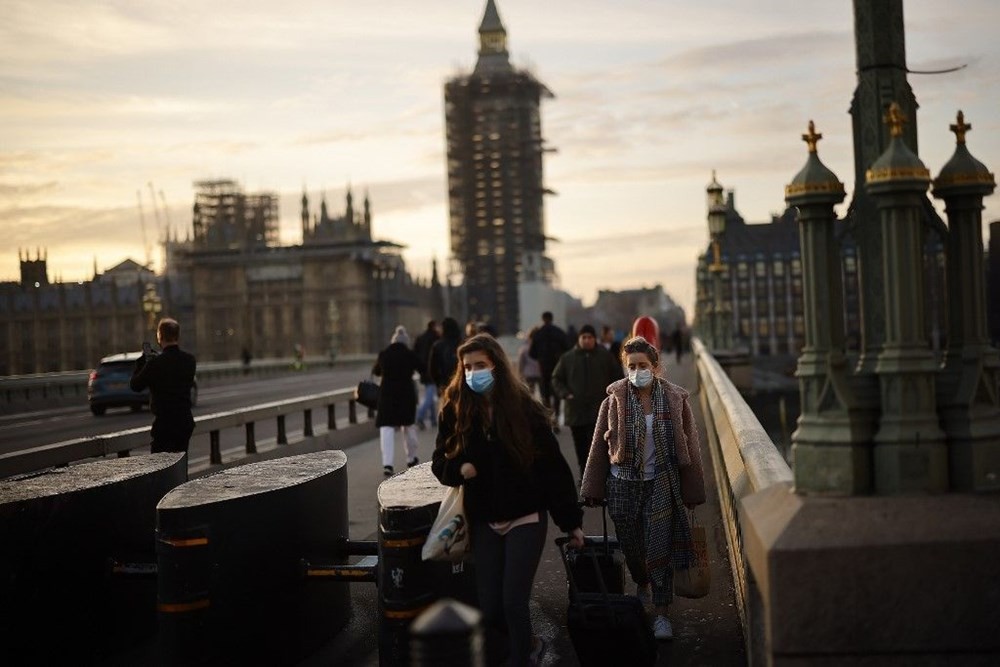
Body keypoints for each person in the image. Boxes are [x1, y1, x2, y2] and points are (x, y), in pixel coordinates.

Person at [432, 334, 584, 666]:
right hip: (485, 519)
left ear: (497, 367)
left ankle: (522, 658)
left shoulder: (524, 409)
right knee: (490, 607)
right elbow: (440, 465)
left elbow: (553, 470)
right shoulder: (454, 411)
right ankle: (529, 643)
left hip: (526, 515)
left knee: (514, 601)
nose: (474, 373)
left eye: (481, 365)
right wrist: (461, 469)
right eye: (467, 367)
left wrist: (570, 522)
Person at [580, 336, 706, 641]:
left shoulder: (676, 399)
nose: (637, 371)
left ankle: (662, 614)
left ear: (656, 367)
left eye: (643, 365)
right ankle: (641, 581)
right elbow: (598, 445)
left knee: (658, 547)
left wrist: (692, 491)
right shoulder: (613, 400)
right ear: (626, 367)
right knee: (632, 546)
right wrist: (592, 487)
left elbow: (691, 444)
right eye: (632, 366)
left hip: (661, 482)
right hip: (622, 484)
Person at [550, 324, 622, 477]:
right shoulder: (568, 358)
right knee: (581, 449)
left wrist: (613, 397)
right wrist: (565, 394)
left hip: (600, 411)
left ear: (595, 339)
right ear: (579, 339)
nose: (587, 340)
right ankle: (585, 479)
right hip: (576, 412)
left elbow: (617, 377)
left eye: (590, 337)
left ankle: (599, 479)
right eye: (584, 337)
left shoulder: (605, 356)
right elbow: (556, 379)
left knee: (599, 448)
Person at [130, 318, 197, 454]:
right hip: (185, 421)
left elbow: (136, 386)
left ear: (159, 336)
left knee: (161, 468)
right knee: (180, 465)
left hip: (165, 424)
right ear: (177, 336)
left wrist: (142, 363)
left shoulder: (155, 364)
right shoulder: (189, 360)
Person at [372, 325, 421, 476]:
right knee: (408, 427)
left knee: (386, 429)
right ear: (405, 342)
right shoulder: (410, 354)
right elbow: (423, 368)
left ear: (393, 342)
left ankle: (388, 464)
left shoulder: (384, 354)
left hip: (387, 395)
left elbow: (376, 371)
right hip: (406, 395)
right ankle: (411, 458)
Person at [529, 311, 570, 433]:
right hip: (556, 367)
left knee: (545, 395)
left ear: (543, 319)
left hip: (543, 368)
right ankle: (556, 418)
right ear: (552, 319)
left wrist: (541, 358)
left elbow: (532, 353)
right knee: (556, 394)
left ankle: (549, 419)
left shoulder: (538, 334)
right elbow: (568, 348)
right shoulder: (559, 332)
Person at [413, 320, 441, 430]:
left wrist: (419, 369)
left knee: (430, 393)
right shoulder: (436, 338)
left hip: (423, 371)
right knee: (430, 396)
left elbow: (414, 354)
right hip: (432, 371)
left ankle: (433, 420)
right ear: (434, 326)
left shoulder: (420, 338)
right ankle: (419, 416)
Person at [429, 317, 462, 396]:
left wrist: (438, 384)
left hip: (445, 385)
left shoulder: (437, 346)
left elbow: (432, 369)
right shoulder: (463, 343)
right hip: (461, 385)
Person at [517, 327, 542, 397]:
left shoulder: (524, 347)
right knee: (543, 395)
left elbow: (521, 362)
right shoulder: (543, 346)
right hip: (541, 373)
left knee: (530, 394)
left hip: (528, 374)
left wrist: (520, 373)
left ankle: (531, 407)